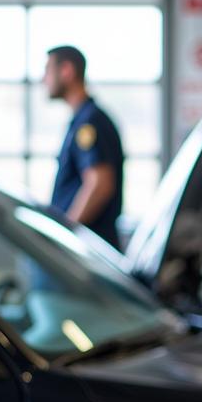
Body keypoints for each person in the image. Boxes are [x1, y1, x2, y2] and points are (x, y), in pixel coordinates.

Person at [45, 45, 125, 249]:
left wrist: (66, 233)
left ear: (67, 71)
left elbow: (99, 184)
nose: (43, 79)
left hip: (88, 249)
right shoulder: (83, 120)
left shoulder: (89, 123)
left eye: (48, 71)